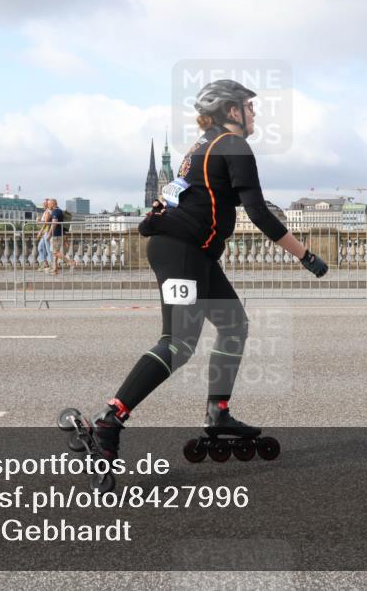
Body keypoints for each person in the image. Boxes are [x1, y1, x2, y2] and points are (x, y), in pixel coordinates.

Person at [84, 79, 328, 462]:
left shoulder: (201, 147)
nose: (254, 113)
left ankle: (219, 411)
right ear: (232, 111)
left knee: (234, 324)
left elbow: (190, 193)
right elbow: (259, 212)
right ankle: (109, 419)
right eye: (250, 106)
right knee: (178, 342)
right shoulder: (233, 144)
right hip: (181, 252)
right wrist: (306, 255)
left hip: (192, 252)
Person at [48, 198, 75, 275]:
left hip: (55, 235)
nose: (48, 205)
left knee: (55, 252)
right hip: (60, 234)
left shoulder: (55, 211)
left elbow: (54, 223)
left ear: (53, 204)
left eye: (49, 204)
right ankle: (55, 269)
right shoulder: (60, 211)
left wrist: (49, 234)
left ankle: (70, 262)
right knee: (55, 253)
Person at [36, 199, 53, 272]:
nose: (42, 205)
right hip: (45, 233)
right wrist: (39, 221)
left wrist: (40, 231)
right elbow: (45, 223)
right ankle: (45, 264)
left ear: (47, 204)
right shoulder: (45, 212)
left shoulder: (48, 212)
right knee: (40, 247)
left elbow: (46, 223)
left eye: (44, 203)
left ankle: (52, 266)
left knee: (49, 250)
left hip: (47, 233)